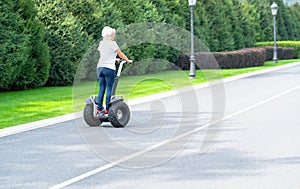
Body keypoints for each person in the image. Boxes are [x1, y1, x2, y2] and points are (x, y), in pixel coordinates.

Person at [96, 26, 132, 117]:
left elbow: (106, 55)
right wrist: (127, 60)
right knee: (109, 88)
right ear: (109, 35)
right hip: (109, 69)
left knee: (101, 88)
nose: (114, 36)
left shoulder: (101, 43)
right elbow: (120, 54)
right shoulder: (113, 44)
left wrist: (114, 59)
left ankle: (99, 108)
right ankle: (108, 109)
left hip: (100, 68)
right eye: (113, 34)